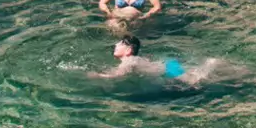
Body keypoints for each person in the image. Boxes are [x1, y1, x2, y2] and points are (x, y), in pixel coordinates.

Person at [91, 37, 219, 85]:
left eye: (120, 44)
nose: (116, 45)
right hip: (169, 66)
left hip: (169, 70)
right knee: (197, 75)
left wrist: (97, 76)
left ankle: (215, 65)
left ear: (128, 50)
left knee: (199, 81)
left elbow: (118, 75)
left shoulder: (128, 61)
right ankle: (213, 65)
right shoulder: (135, 59)